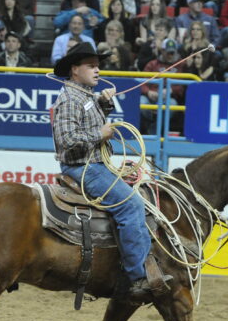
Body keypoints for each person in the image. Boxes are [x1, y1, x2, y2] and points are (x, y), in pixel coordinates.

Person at [51, 41, 165, 298]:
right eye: (91, 66)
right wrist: (99, 133)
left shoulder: (84, 95)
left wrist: (104, 106)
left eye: (98, 66)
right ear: (75, 69)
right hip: (83, 168)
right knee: (131, 205)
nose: (97, 70)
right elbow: (66, 139)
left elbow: (86, 124)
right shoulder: (70, 99)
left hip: (95, 164)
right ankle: (137, 278)